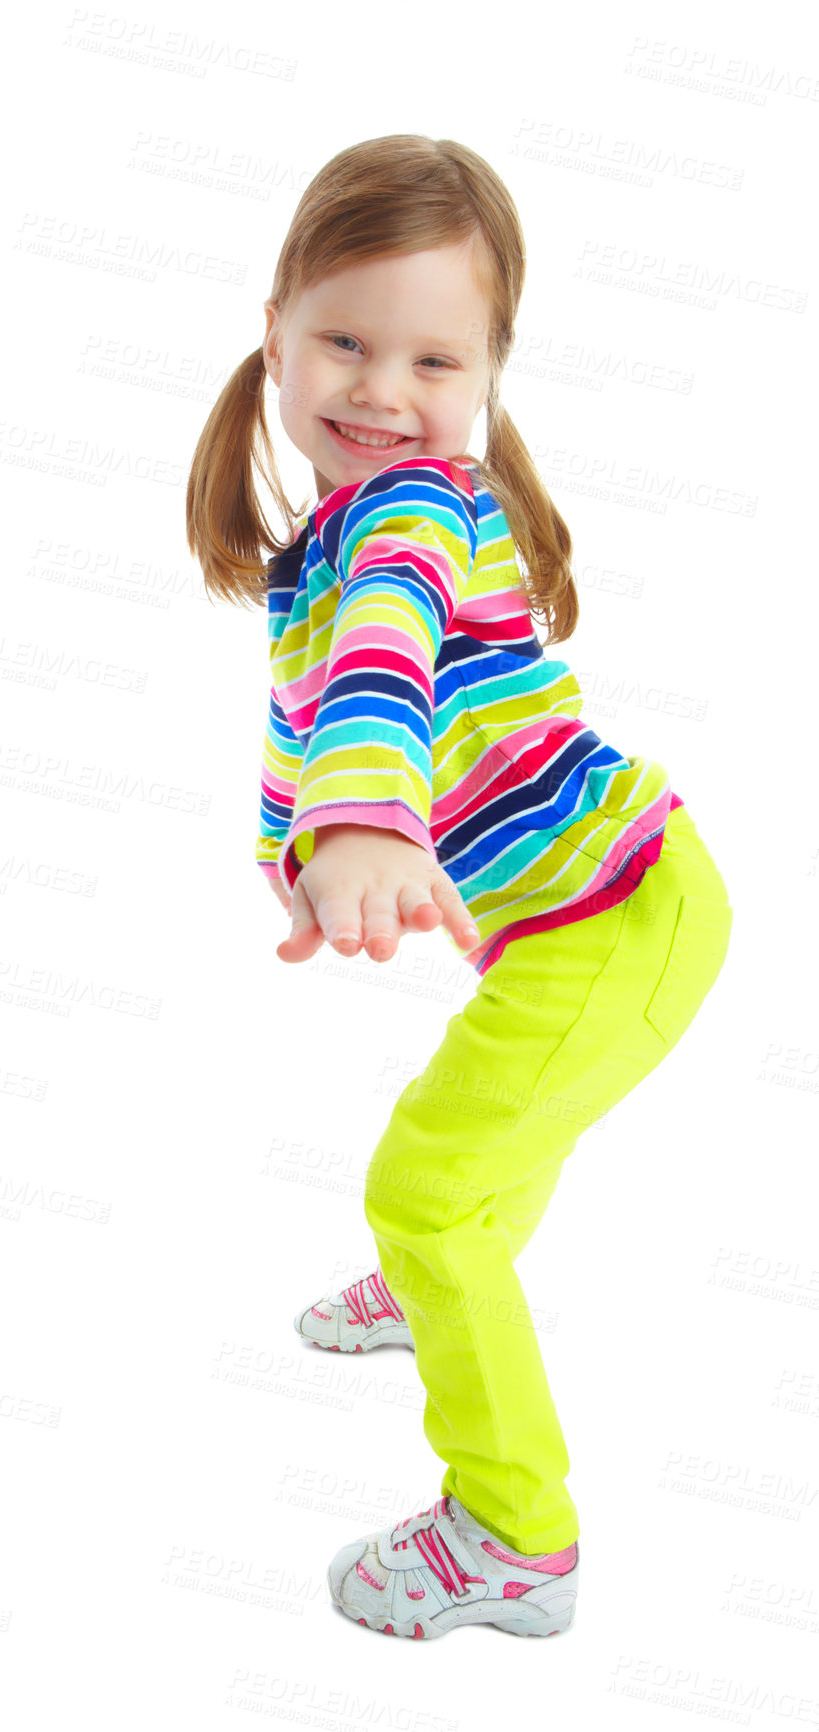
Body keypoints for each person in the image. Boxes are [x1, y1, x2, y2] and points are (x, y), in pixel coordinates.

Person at [185, 135, 733, 1643]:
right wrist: (307, 851)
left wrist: (363, 819)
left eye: (432, 358)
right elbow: (315, 703)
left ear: (487, 372)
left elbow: (378, 671)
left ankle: (513, 1530)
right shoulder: (336, 528)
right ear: (277, 329)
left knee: (419, 1189)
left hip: (621, 923)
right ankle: (442, 1280)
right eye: (343, 341)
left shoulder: (412, 510)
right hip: (585, 918)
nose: (378, 389)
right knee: (468, 1155)